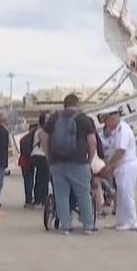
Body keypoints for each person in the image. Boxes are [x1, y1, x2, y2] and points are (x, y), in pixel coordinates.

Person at [44, 94, 98, 234]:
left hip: (57, 162)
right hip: (79, 162)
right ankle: (88, 226)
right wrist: (90, 160)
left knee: (61, 194)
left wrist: (48, 155)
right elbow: (92, 142)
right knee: (83, 194)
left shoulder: (54, 118)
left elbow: (44, 137)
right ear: (77, 104)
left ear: (64, 104)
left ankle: (65, 226)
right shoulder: (83, 119)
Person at [99, 110, 137, 231]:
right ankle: (121, 221)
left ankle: (132, 222)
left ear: (113, 118)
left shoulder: (123, 129)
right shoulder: (115, 132)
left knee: (127, 193)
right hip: (120, 166)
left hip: (127, 165)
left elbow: (121, 151)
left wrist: (109, 166)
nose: (106, 124)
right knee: (120, 194)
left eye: (106, 121)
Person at [32, 112, 50, 206]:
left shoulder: (37, 131)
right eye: (47, 118)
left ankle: (38, 198)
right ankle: (43, 199)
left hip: (35, 155)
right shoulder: (43, 131)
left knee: (40, 176)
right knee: (44, 177)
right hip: (42, 155)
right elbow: (44, 145)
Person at [19, 122, 38, 208]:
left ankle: (29, 199)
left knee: (28, 181)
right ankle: (29, 199)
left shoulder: (24, 138)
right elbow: (27, 151)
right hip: (28, 161)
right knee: (29, 181)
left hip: (24, 161)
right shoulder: (30, 138)